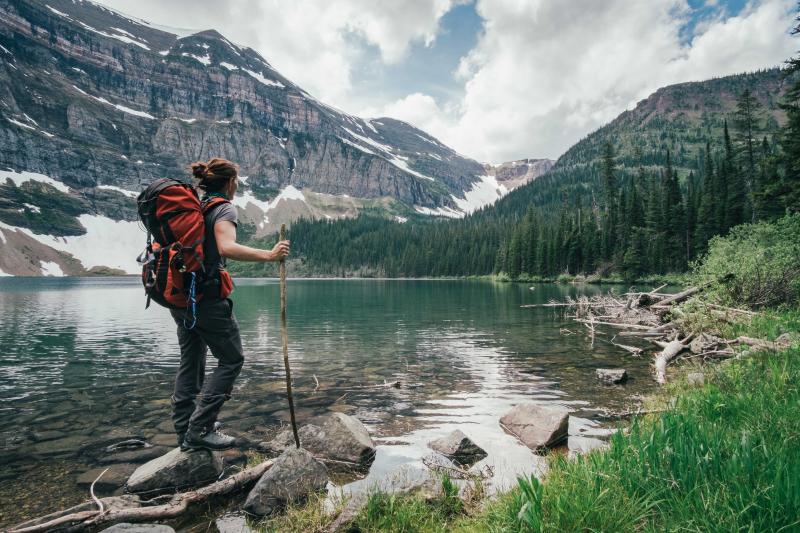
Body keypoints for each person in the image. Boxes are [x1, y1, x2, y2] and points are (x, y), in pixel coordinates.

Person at [172, 157, 290, 451]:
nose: (237, 186)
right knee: (232, 359)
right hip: (207, 299)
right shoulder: (223, 208)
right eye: (236, 181)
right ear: (229, 182)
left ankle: (185, 428)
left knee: (192, 361)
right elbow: (226, 247)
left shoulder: (194, 207)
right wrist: (270, 256)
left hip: (181, 296)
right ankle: (199, 429)